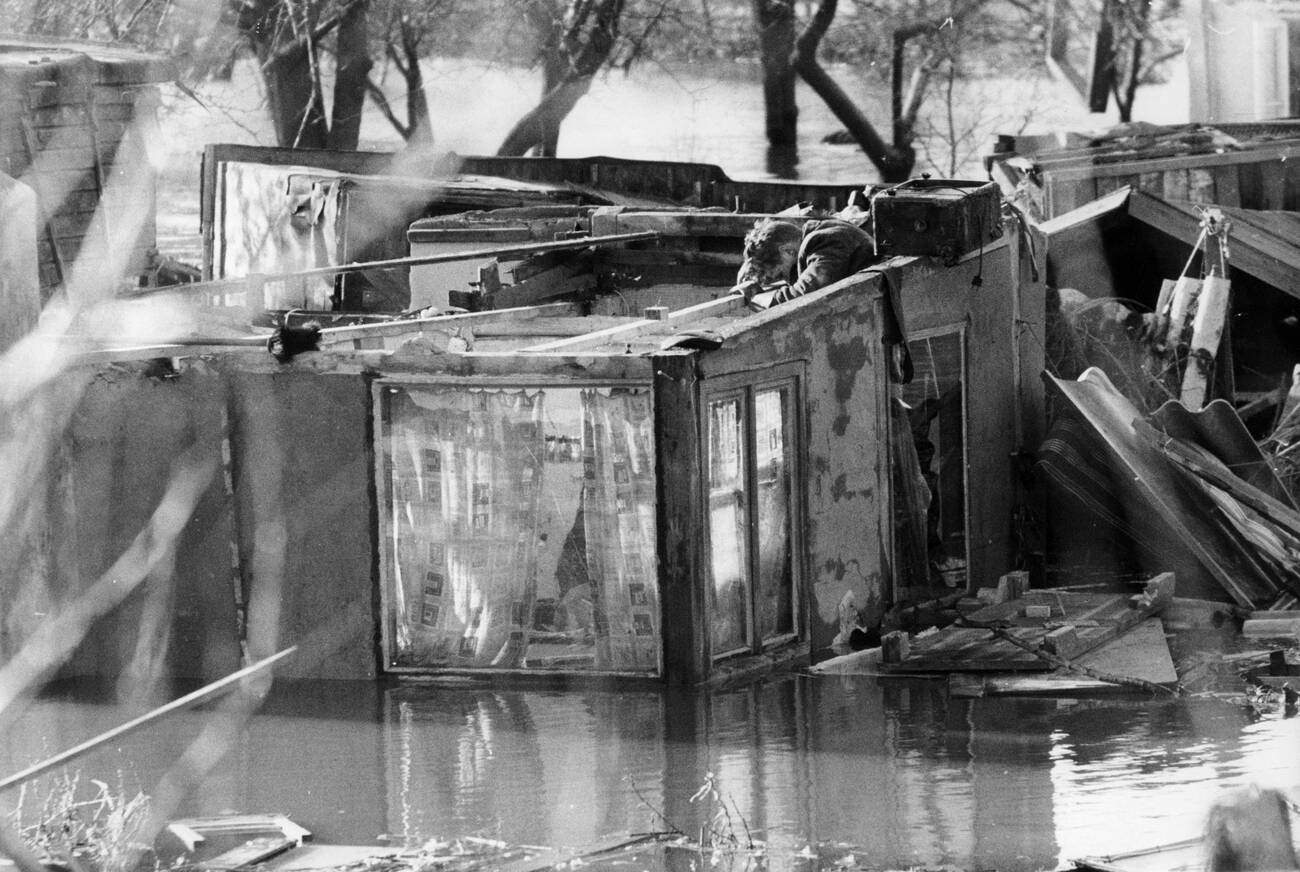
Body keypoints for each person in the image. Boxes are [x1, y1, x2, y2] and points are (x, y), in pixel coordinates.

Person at [733, 215, 877, 307]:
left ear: (788, 251)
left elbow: (804, 297)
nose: (786, 280)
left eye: (782, 275)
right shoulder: (828, 230)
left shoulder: (824, 241)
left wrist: (756, 296)